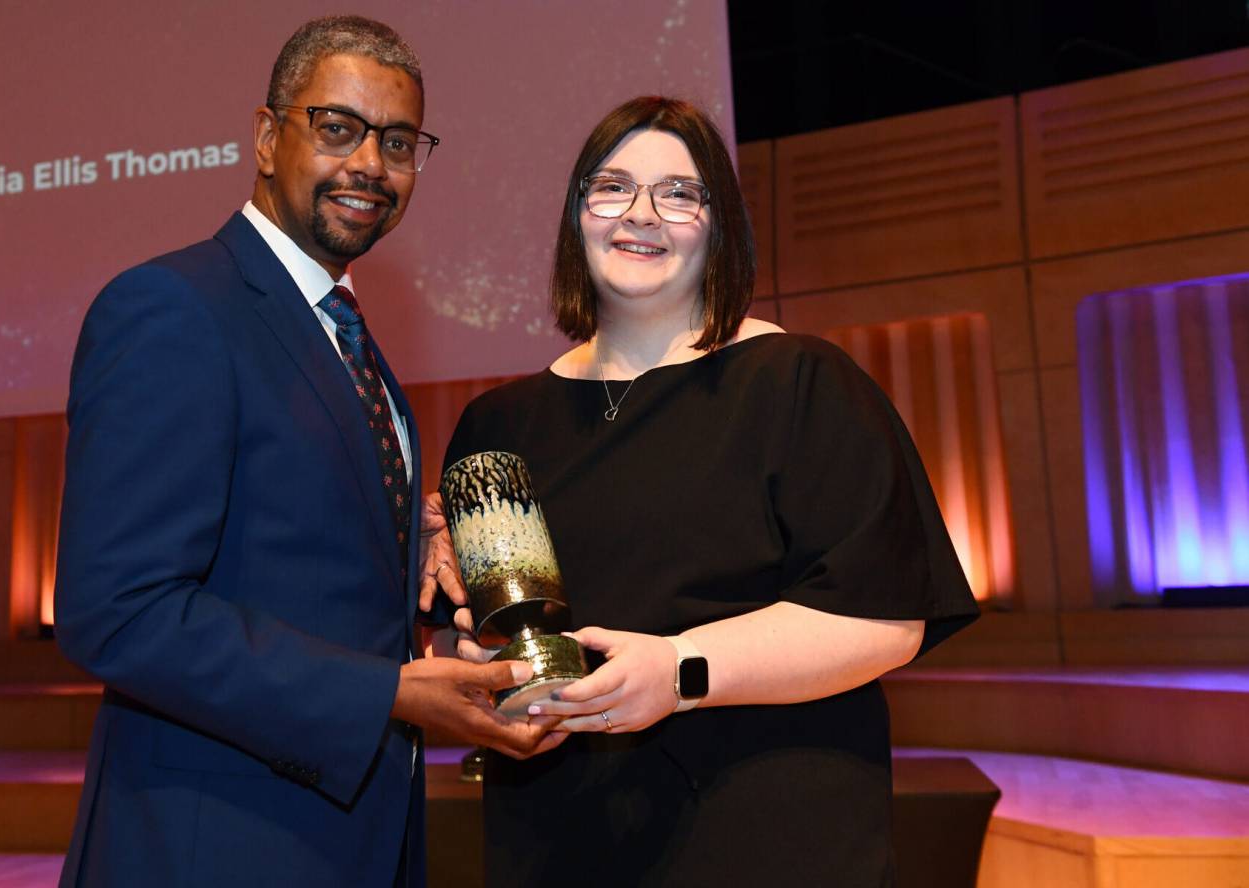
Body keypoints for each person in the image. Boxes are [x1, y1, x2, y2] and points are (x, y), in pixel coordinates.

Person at [53, 16, 559, 888]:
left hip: (351, 837)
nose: (370, 163)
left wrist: (416, 556)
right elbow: (119, 611)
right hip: (214, 847)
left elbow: (303, 557)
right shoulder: (173, 308)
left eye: (398, 143)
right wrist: (385, 695)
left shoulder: (347, 335)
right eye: (338, 129)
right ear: (265, 136)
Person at [437, 96, 980, 886]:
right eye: (612, 187)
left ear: (719, 225)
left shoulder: (801, 383)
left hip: (766, 832)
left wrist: (682, 671)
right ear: (576, 215)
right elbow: (482, 632)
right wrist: (479, 660)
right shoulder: (498, 422)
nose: (641, 214)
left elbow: (886, 616)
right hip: (556, 834)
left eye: (679, 193)